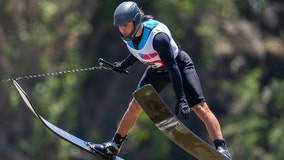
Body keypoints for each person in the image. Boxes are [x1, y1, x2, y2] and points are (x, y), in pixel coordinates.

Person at [88, 1, 231, 159]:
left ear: (136, 21)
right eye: (120, 26)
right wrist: (123, 65)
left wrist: (181, 99)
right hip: (157, 70)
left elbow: (173, 68)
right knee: (135, 106)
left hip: (179, 66)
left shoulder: (158, 37)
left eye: (125, 25)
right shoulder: (128, 35)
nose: (122, 29)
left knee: (199, 107)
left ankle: (221, 148)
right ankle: (114, 146)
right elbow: (138, 51)